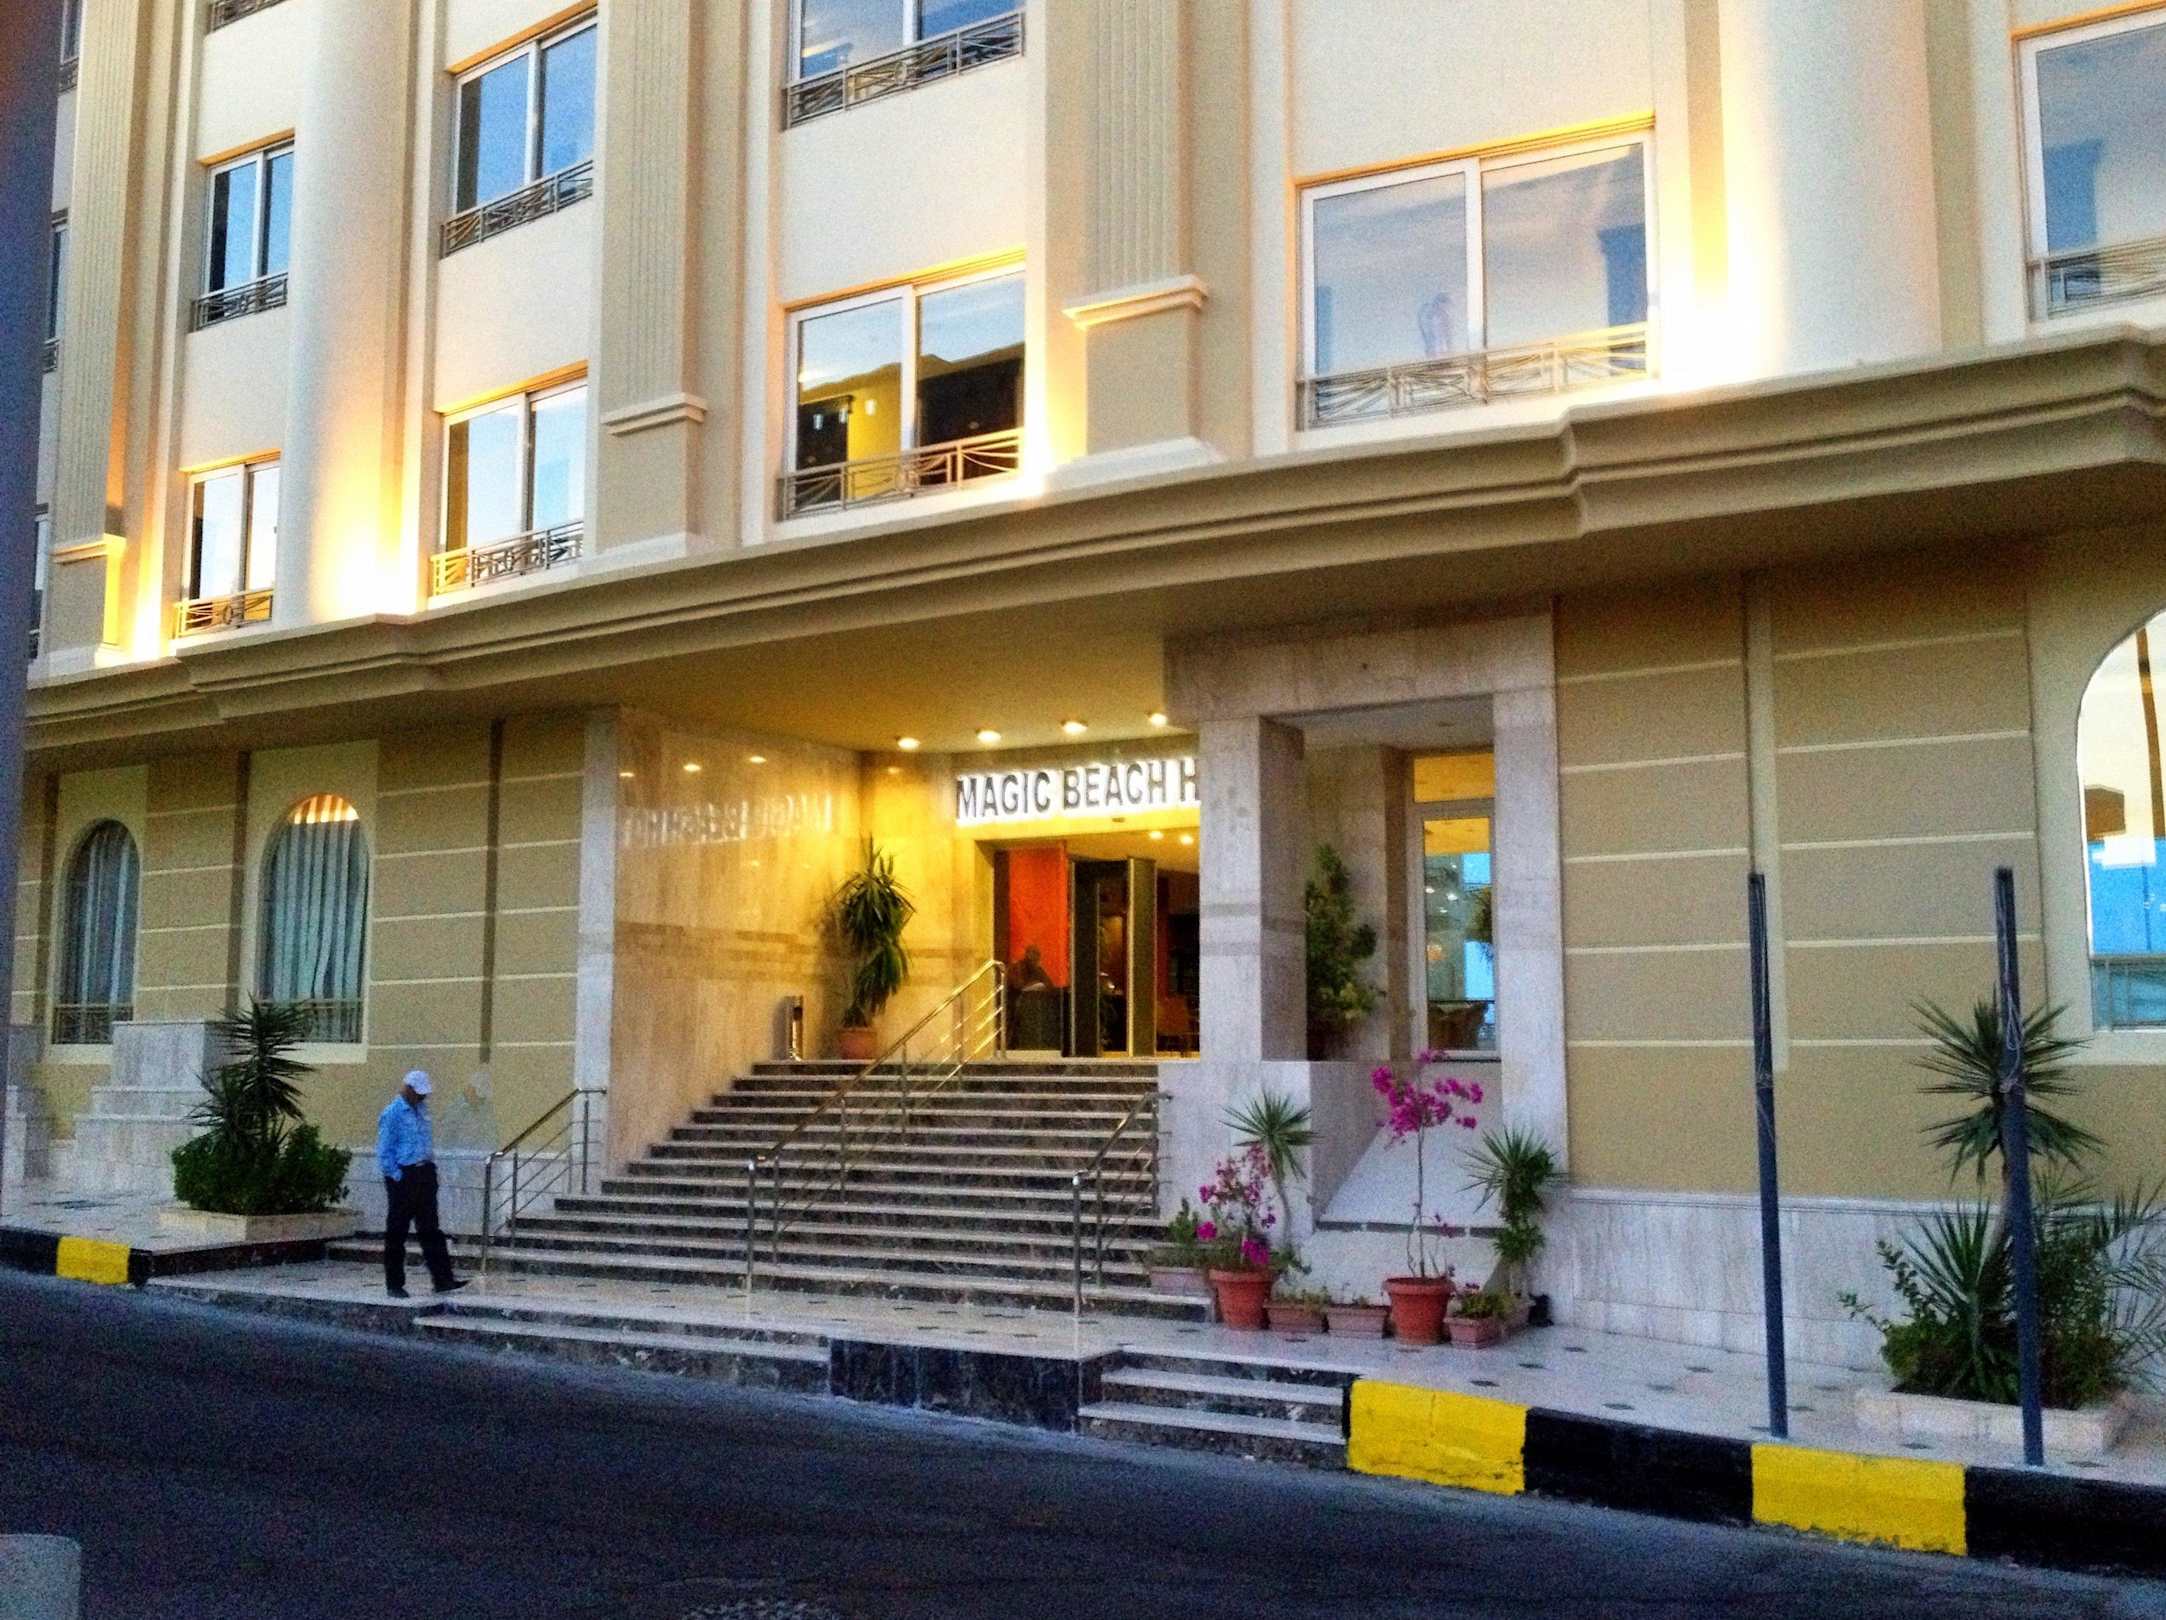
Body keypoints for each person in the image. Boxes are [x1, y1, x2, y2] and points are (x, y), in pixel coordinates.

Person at [377, 1070, 466, 1299]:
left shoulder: (422, 1110)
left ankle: (443, 1280)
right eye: (419, 1093)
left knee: (431, 1229)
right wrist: (397, 1177)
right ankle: (394, 1284)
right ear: (408, 1089)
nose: (422, 1097)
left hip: (425, 1172)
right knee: (397, 1231)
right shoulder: (392, 1113)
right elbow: (385, 1151)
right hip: (404, 1175)